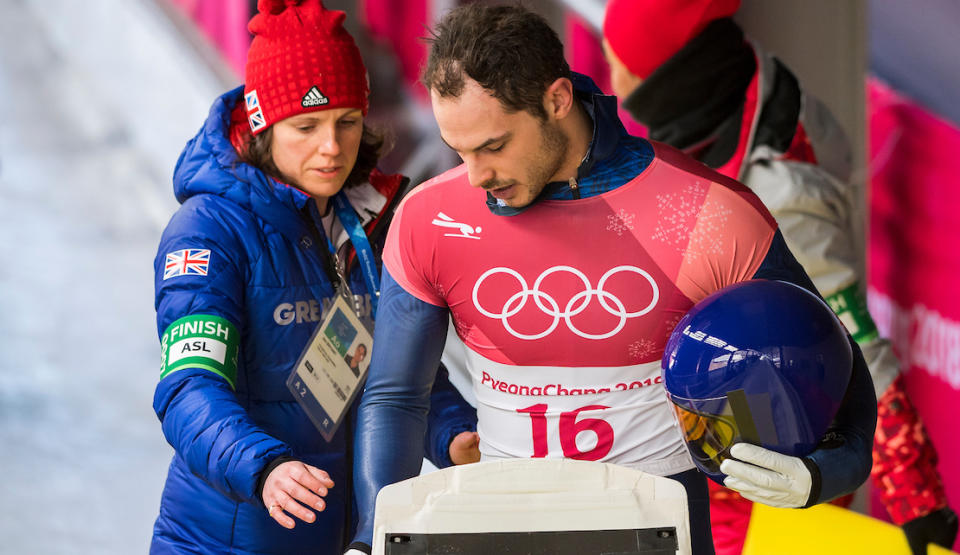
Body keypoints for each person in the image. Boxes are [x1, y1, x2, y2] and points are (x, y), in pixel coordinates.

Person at [350, 4, 877, 554]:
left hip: (655, 529)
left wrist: (820, 472)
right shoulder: (430, 216)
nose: (477, 177)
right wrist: (370, 542)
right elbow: (394, 397)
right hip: (499, 527)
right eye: (460, 151)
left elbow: (839, 369)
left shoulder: (707, 211)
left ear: (556, 100)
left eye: (494, 145)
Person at [600, 1, 959, 553]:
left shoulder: (780, 196)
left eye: (623, 65)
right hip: (712, 428)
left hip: (763, 472)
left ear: (672, 79)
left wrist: (916, 495)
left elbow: (851, 337)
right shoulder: (738, 100)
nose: (614, 83)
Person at [150, 1, 477, 553]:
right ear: (261, 125)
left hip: (342, 533)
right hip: (228, 538)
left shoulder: (370, 215)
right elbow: (188, 388)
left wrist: (453, 434)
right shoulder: (207, 231)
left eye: (347, 122)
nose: (332, 147)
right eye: (306, 126)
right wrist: (264, 467)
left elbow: (394, 367)